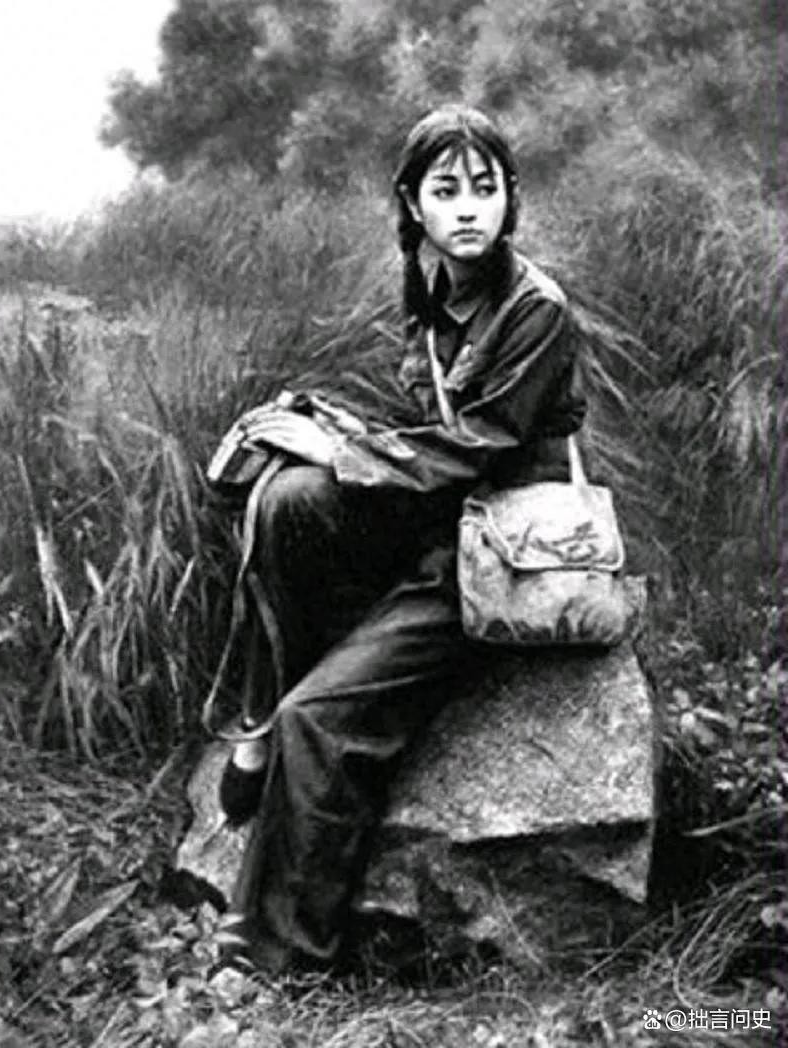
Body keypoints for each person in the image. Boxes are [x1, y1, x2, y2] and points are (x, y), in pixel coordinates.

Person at [207, 103, 586, 973]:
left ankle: (279, 961)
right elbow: (430, 436)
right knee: (289, 498)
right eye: (445, 191)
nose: (468, 208)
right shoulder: (435, 291)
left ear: (510, 197)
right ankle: (261, 714)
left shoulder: (537, 312)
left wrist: (346, 452)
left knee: (321, 719)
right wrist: (318, 434)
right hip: (438, 526)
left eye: (484, 188)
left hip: (499, 558)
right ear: (413, 204)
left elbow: (476, 447)